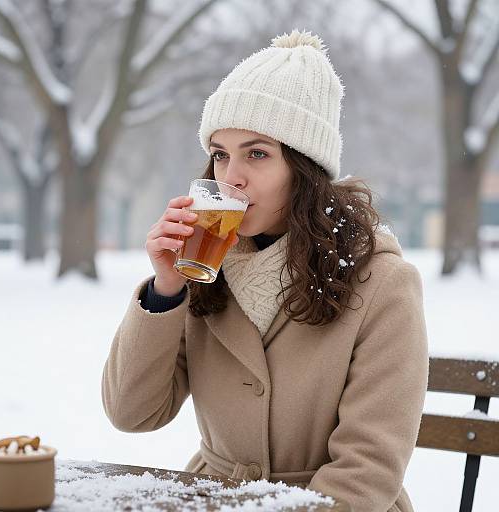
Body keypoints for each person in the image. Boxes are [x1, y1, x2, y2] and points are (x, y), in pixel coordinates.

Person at [102, 28, 428, 512]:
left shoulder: (381, 283)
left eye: (257, 154)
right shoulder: (205, 268)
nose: (230, 177)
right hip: (211, 500)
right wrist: (167, 289)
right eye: (219, 154)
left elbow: (367, 470)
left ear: (305, 169)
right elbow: (134, 414)